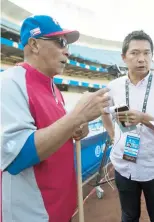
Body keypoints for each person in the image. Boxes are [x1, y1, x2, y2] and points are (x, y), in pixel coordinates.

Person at [1, 15, 110, 222]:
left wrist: (77, 126)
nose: (67, 51)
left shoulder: (54, 88)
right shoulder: (9, 83)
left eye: (67, 44)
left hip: (60, 208)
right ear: (34, 44)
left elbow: (58, 132)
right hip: (32, 214)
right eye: (60, 42)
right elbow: (16, 157)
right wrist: (76, 117)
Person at [102, 30, 154, 222]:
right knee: (129, 216)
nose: (141, 59)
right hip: (123, 164)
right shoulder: (114, 86)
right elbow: (104, 112)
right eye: (135, 53)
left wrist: (144, 118)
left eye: (147, 53)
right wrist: (113, 136)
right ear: (124, 57)